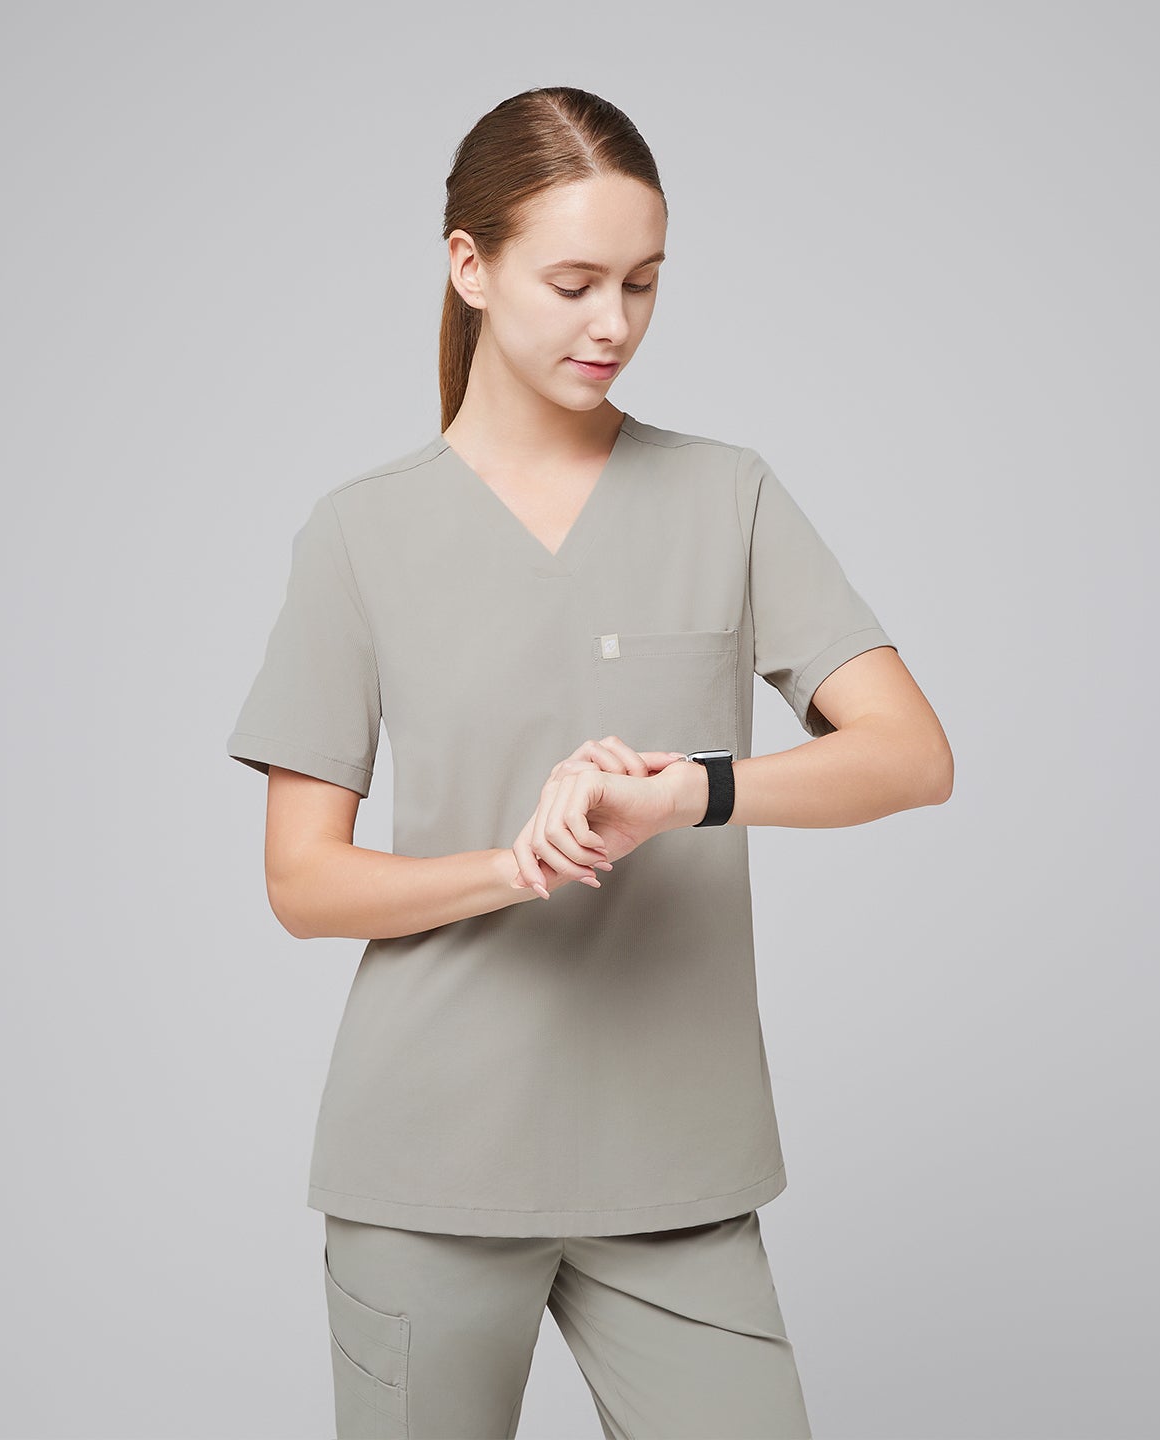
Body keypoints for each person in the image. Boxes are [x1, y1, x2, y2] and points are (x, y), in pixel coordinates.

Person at [226, 85, 953, 1440]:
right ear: (470, 266)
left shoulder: (726, 494)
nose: (612, 324)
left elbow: (912, 756)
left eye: (642, 283)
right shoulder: (359, 537)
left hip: (679, 1170)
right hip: (426, 1168)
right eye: (573, 283)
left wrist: (698, 788)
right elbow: (301, 883)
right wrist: (514, 866)